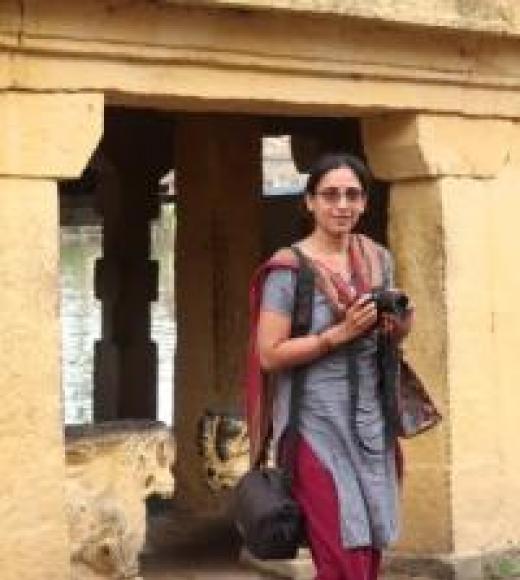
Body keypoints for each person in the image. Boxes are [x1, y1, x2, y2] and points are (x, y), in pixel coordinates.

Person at [245, 153, 413, 580]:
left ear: (365, 203)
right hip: (314, 425)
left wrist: (397, 325)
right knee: (342, 556)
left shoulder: (377, 259)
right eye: (331, 195)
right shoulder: (290, 270)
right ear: (310, 203)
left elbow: (387, 338)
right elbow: (269, 355)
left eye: (353, 195)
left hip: (371, 423)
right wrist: (335, 336)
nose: (343, 205)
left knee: (371, 546)